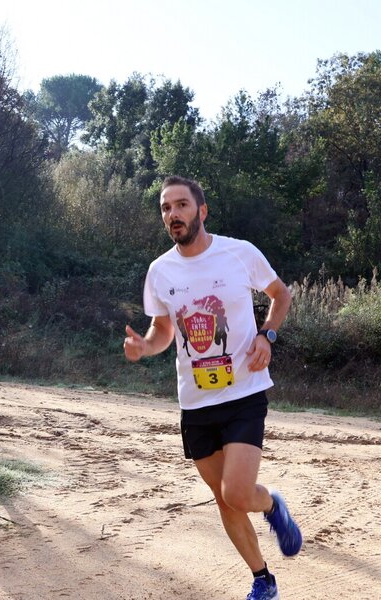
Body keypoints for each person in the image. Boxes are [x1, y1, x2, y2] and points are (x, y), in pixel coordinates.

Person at [124, 176, 301, 600]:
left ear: (201, 211)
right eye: (166, 208)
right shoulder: (160, 270)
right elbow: (163, 329)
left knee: (236, 492)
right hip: (195, 402)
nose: (173, 214)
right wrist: (145, 346)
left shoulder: (239, 253)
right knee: (225, 501)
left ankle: (271, 505)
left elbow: (280, 295)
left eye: (181, 205)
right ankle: (263, 579)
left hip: (243, 394)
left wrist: (267, 336)